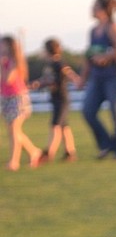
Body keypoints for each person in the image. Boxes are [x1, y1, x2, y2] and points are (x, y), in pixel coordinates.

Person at [79, 0, 116, 159]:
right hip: (97, 77)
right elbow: (89, 57)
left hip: (114, 77)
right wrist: (83, 78)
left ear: (104, 10)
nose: (92, 10)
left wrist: (106, 57)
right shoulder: (93, 31)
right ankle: (106, 144)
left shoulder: (113, 28)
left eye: (95, 7)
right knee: (88, 111)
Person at [30, 38, 81, 161]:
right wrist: (38, 83)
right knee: (64, 126)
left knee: (55, 125)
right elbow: (48, 78)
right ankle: (70, 152)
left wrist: (77, 80)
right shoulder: (51, 64)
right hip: (57, 98)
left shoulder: (58, 63)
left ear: (48, 50)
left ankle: (49, 153)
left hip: (61, 98)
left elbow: (67, 72)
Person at [1, 35, 43, 171]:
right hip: (6, 97)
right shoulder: (4, 61)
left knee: (14, 129)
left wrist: (2, 65)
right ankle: (34, 152)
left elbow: (8, 79)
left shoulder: (14, 61)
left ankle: (14, 162)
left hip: (17, 97)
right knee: (14, 131)